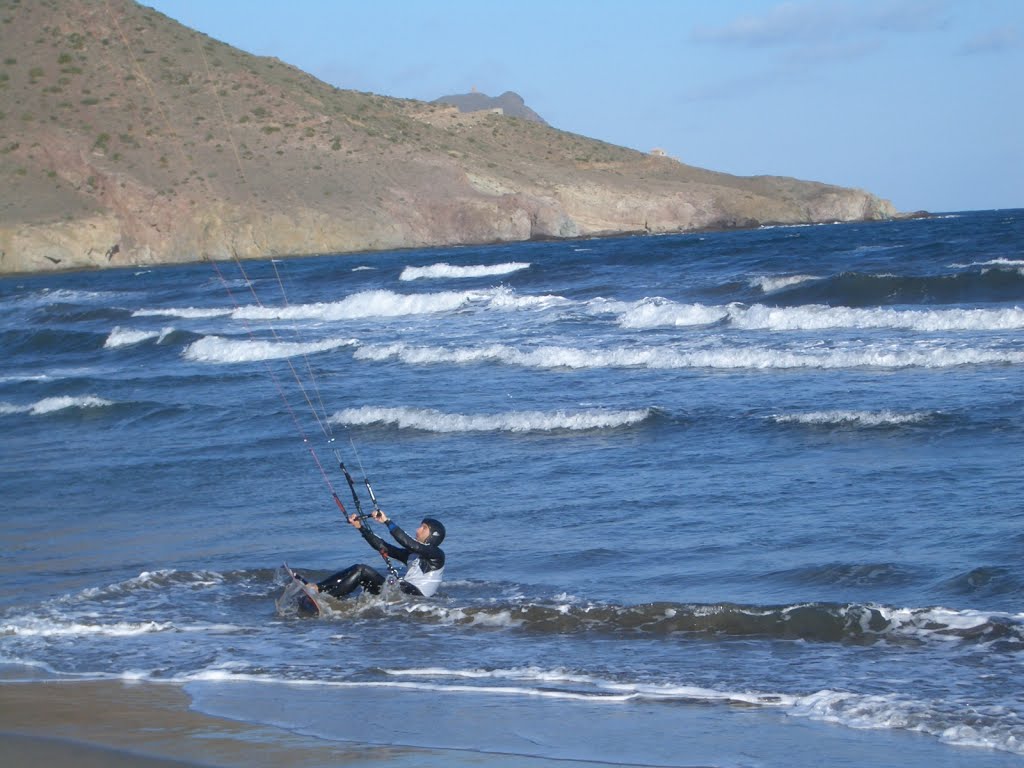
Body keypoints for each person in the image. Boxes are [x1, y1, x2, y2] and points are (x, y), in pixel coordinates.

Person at [299, 509, 446, 599]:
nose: (418, 529)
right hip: (404, 593)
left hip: (416, 596)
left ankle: (326, 599)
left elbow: (407, 542)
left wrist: (387, 521)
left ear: (433, 535)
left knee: (362, 570)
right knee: (359, 570)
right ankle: (318, 589)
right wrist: (360, 528)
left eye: (423, 528)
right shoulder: (413, 555)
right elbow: (384, 548)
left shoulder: (436, 555)